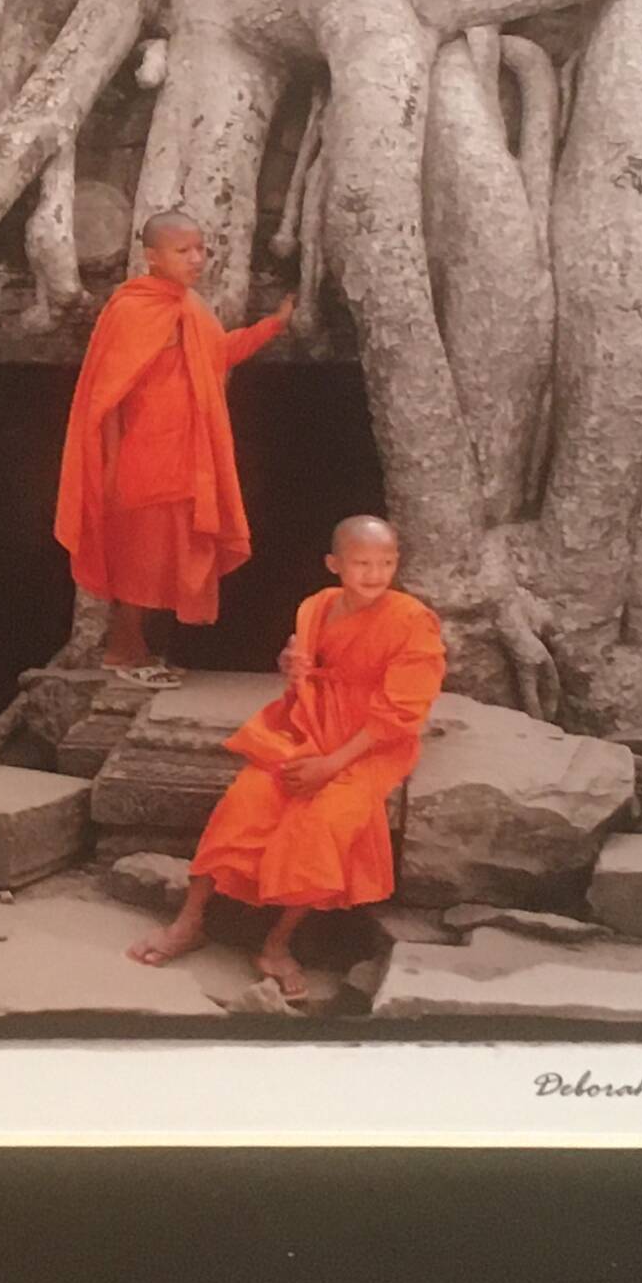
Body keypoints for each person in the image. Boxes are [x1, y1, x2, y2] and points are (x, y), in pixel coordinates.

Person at [132, 517, 446, 1004]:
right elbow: (307, 668)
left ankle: (276, 945)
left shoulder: (412, 621)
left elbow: (402, 713)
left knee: (323, 823)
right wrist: (290, 665)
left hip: (369, 746)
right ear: (334, 564)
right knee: (245, 802)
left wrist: (330, 766)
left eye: (386, 563)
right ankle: (188, 923)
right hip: (307, 730)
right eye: (362, 563)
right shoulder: (317, 606)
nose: (374, 574)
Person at [54, 212, 289, 672]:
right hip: (144, 459)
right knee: (139, 562)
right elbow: (106, 397)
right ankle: (122, 650)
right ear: (152, 257)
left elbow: (217, 355)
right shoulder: (131, 309)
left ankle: (142, 650)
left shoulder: (190, 306)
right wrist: (106, 464)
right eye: (183, 251)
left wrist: (273, 325)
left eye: (201, 249)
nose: (197, 259)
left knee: (173, 558)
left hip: (188, 459)